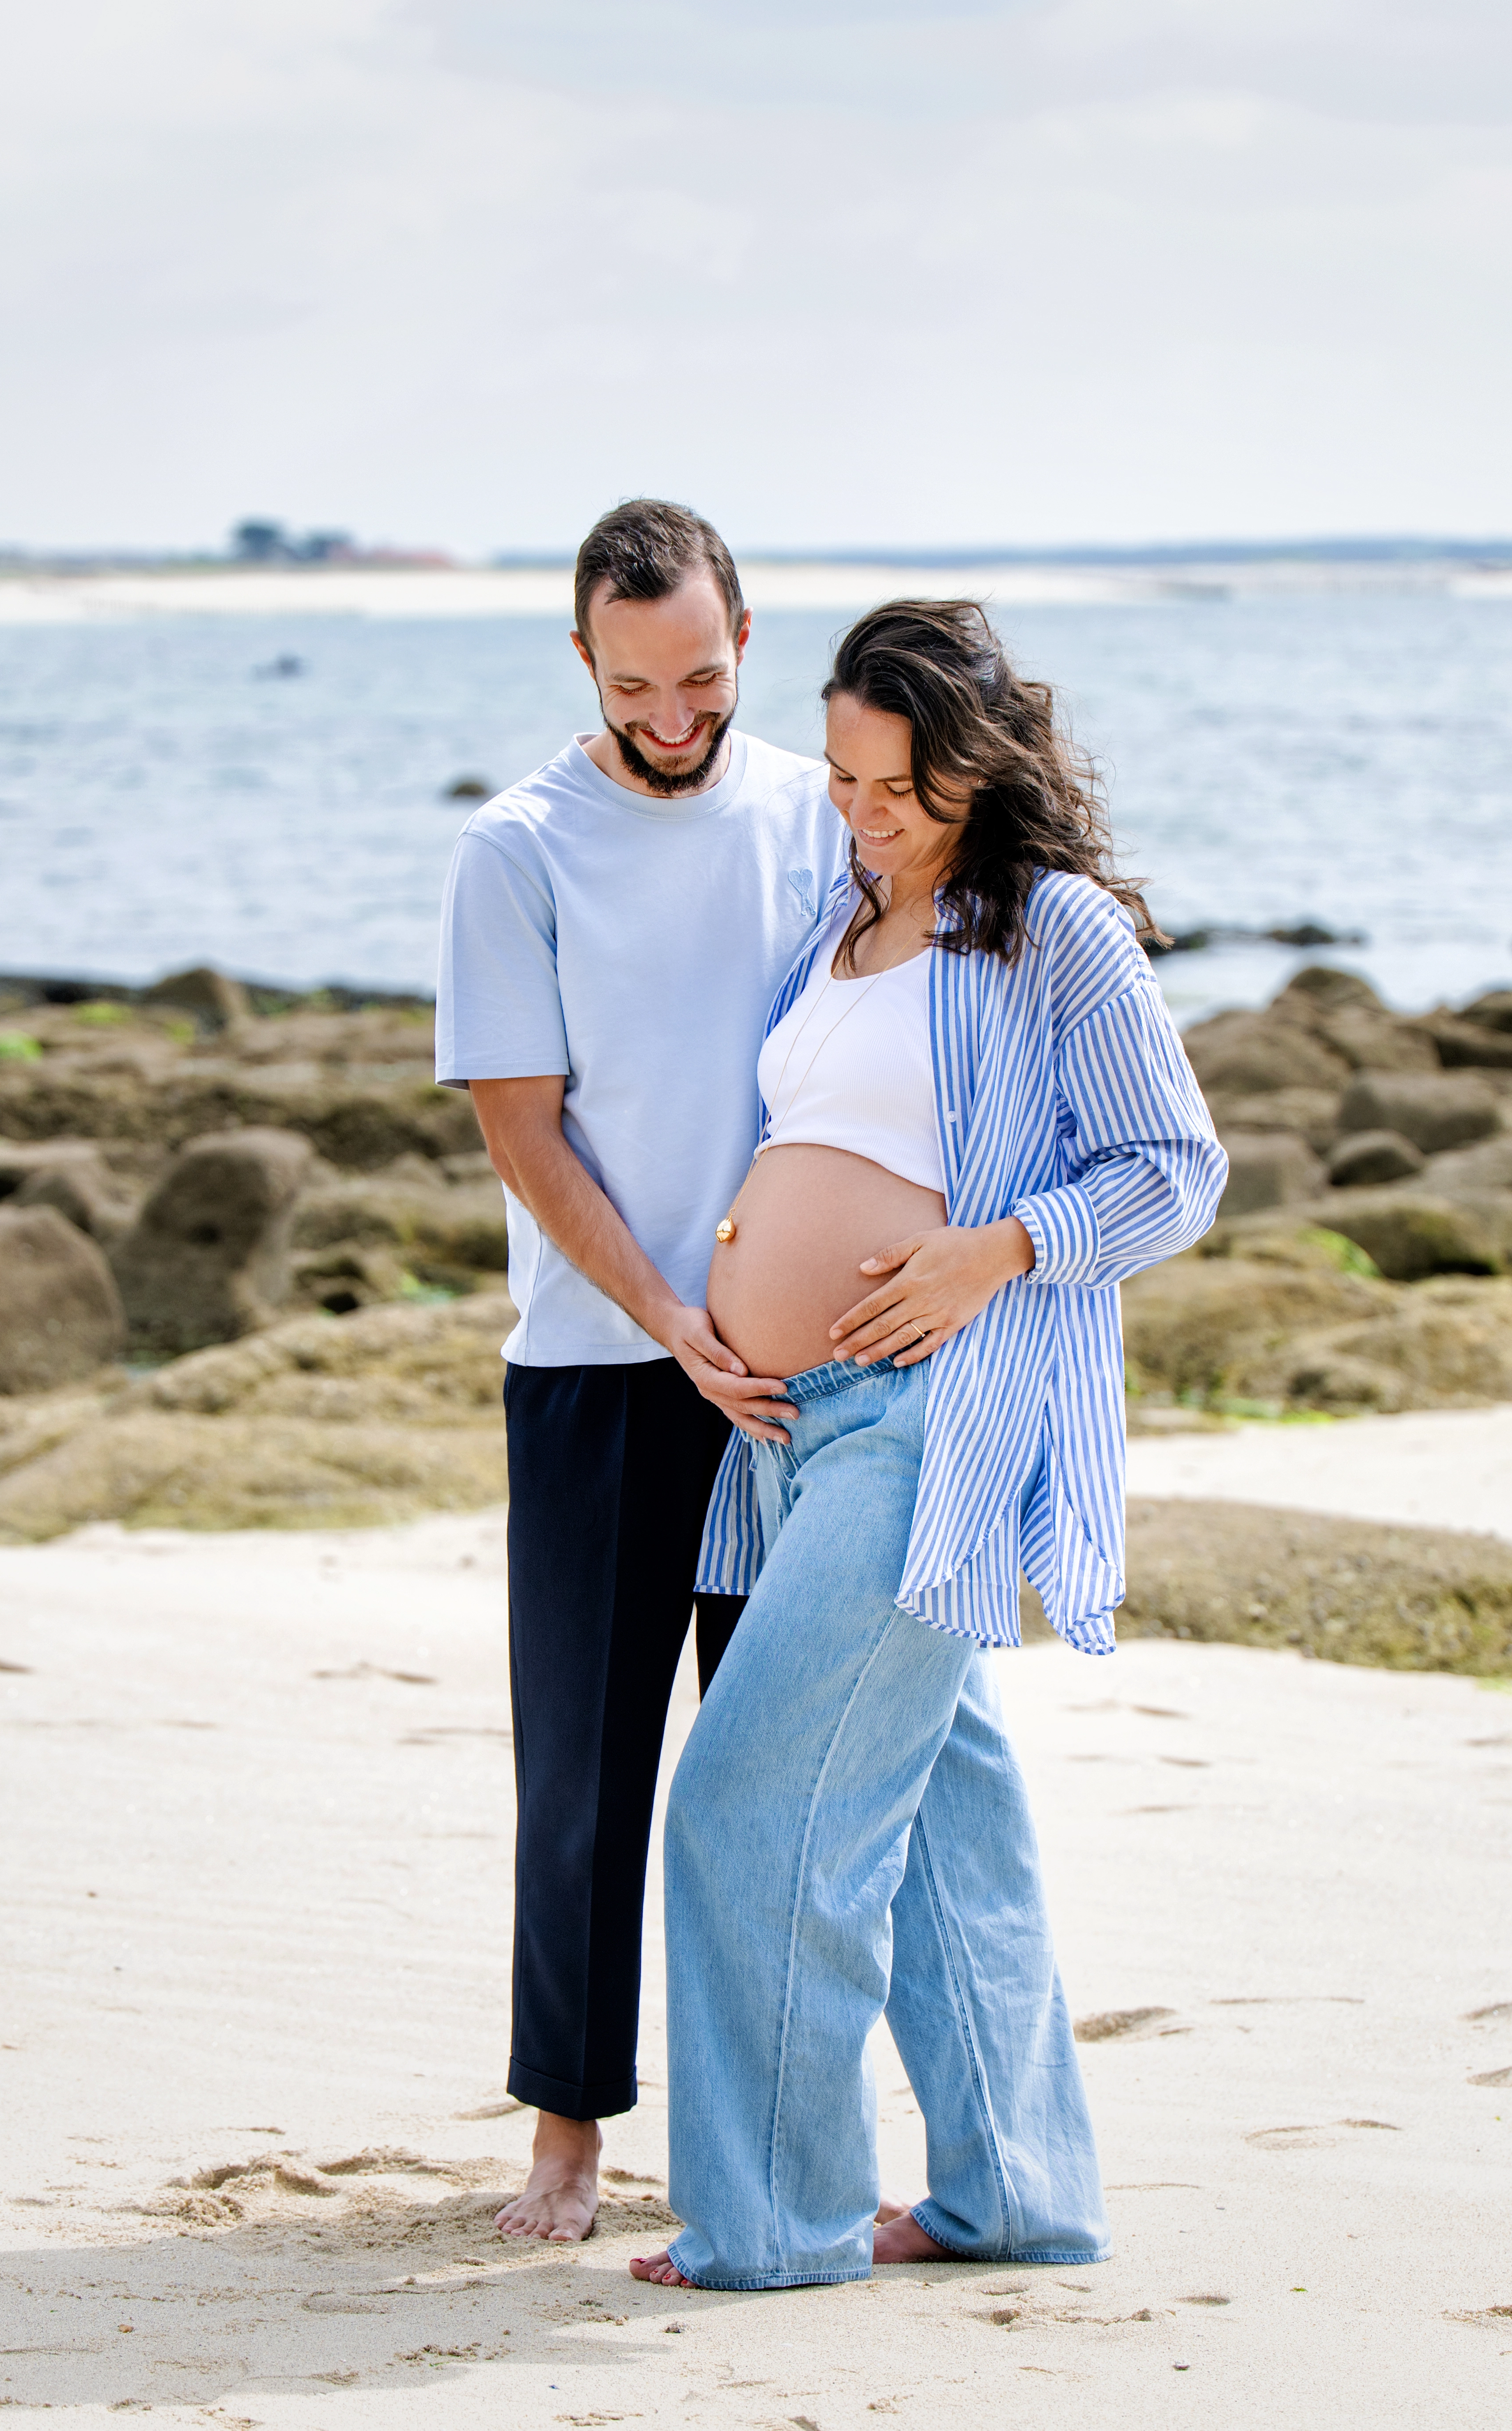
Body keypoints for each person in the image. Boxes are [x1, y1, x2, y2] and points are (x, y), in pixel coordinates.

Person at [627, 600, 1223, 2292]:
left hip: (935, 1427)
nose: (862, 813)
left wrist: (1001, 1248)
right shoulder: (842, 914)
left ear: (974, 772)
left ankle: (778, 2225)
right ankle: (1018, 2193)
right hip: (804, 1433)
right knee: (946, 1827)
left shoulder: (1054, 933)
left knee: (751, 1801)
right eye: (840, 779)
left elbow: (1175, 1171)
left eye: (896, 789)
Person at [433, 498, 846, 2243]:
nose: (672, 719)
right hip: (602, 1365)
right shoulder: (516, 849)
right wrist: (669, 1312)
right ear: (582, 665)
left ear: (746, 638)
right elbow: (521, 1129)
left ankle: (773, 2133)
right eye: (633, 690)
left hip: (793, 1381)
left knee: (779, 1773)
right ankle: (568, 2136)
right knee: (587, 1773)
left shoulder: (826, 819)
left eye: (700, 681)